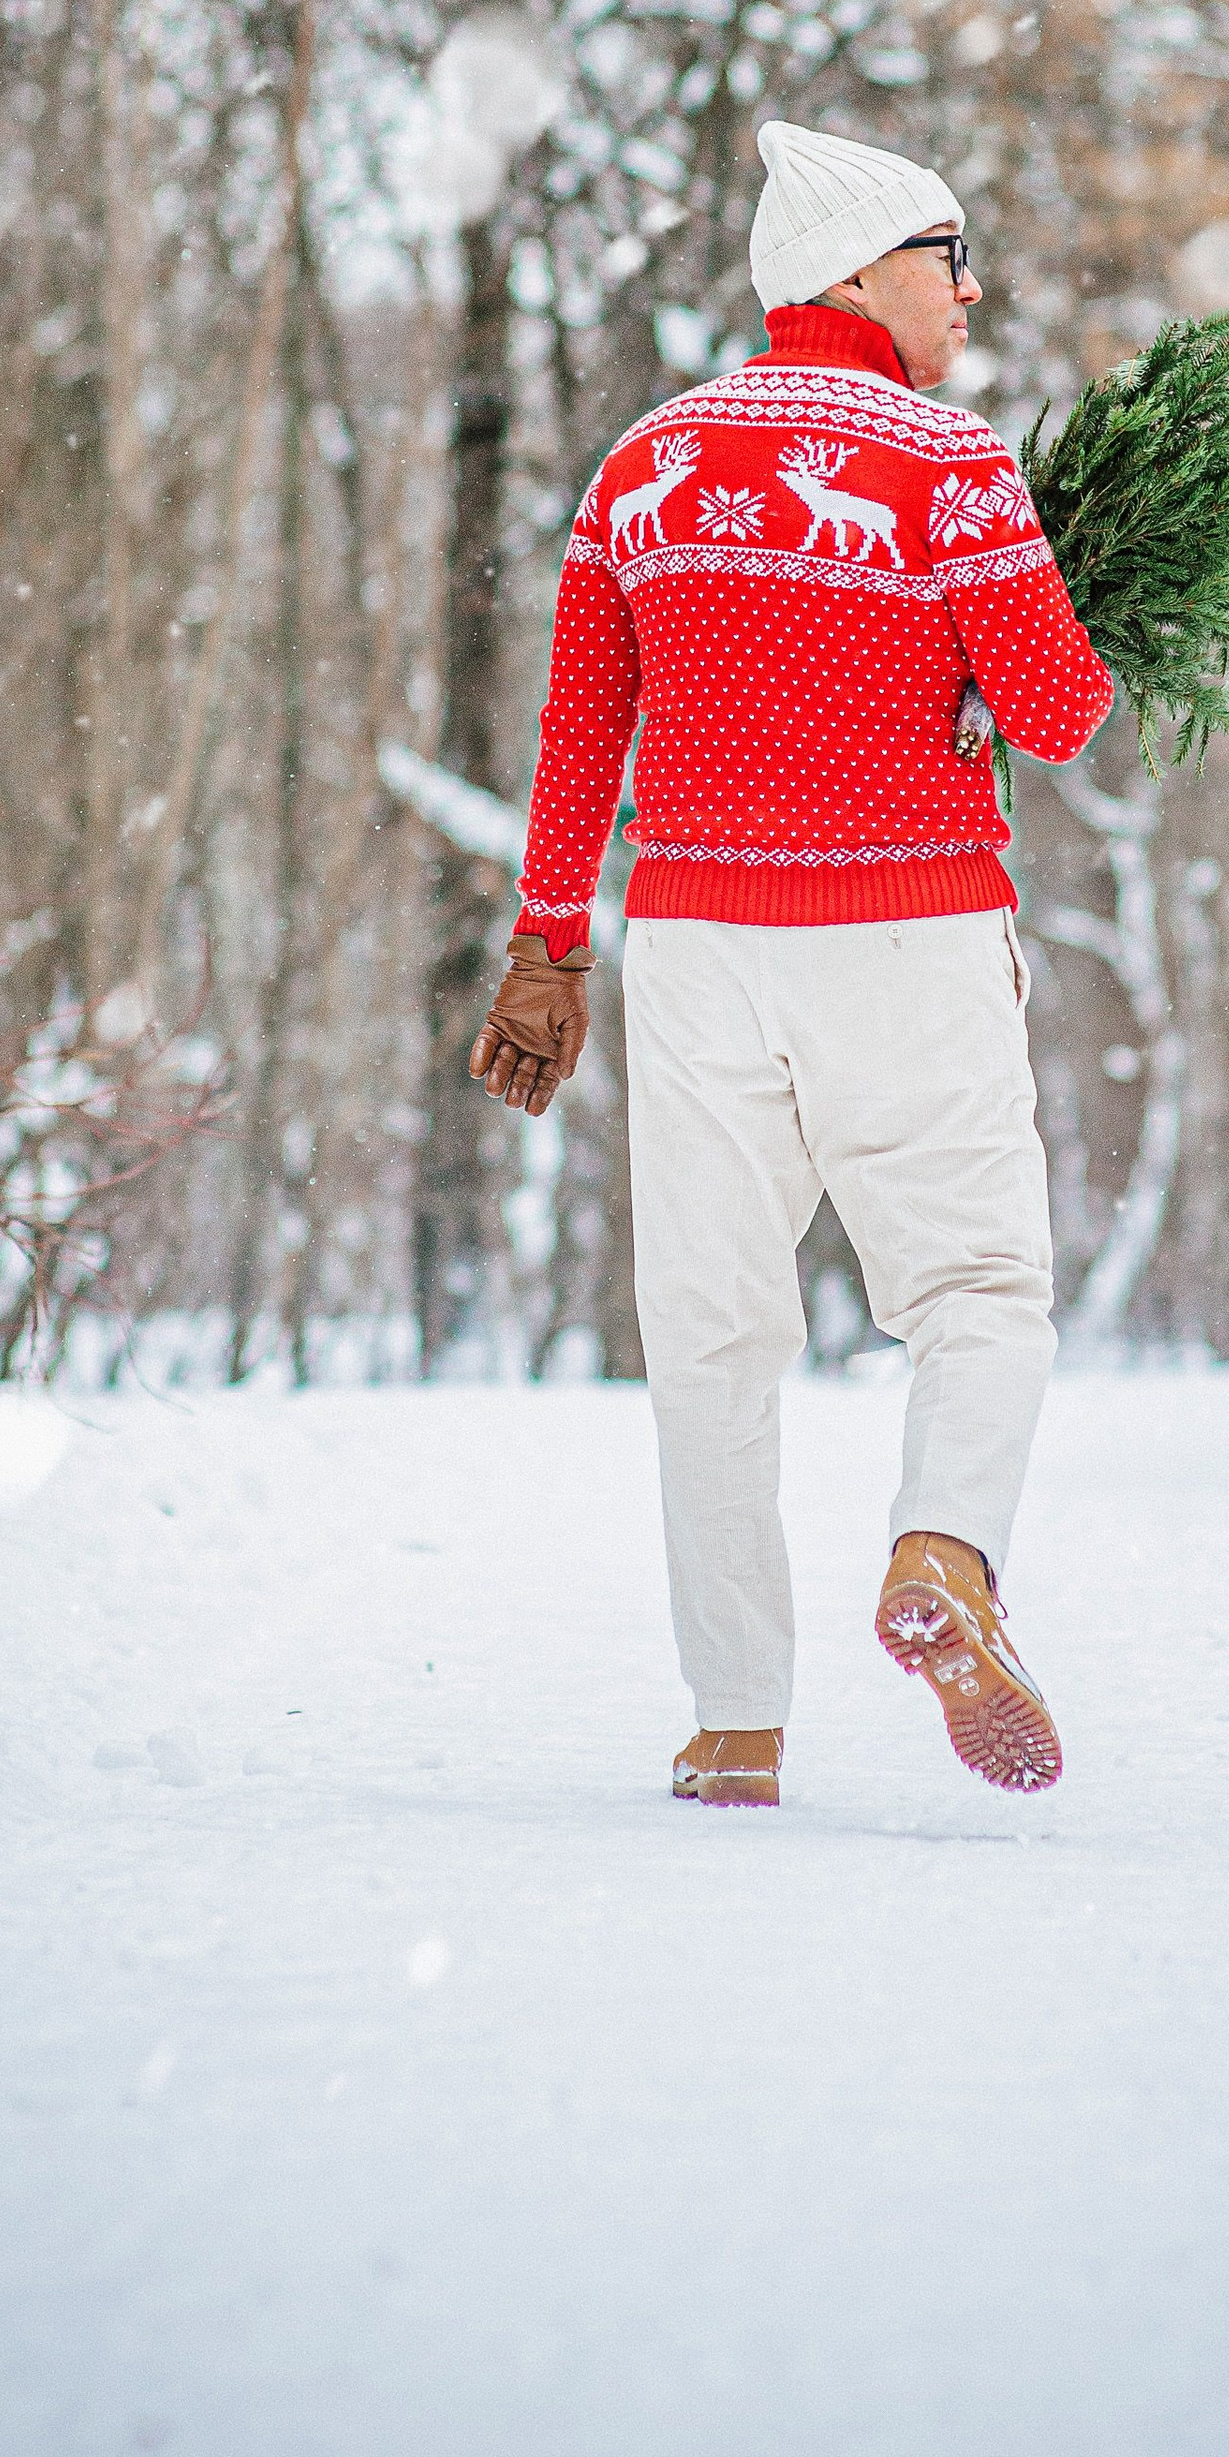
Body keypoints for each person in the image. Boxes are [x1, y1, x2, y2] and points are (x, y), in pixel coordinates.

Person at [469, 118, 1114, 1808]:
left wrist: (546, 944)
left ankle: (735, 1722)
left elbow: (577, 733)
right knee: (978, 1290)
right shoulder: (952, 464)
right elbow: (1060, 712)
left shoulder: (642, 467)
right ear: (856, 271)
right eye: (948, 256)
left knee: (709, 1332)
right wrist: (1040, 613)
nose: (971, 290)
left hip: (696, 946)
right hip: (908, 934)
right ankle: (945, 1552)